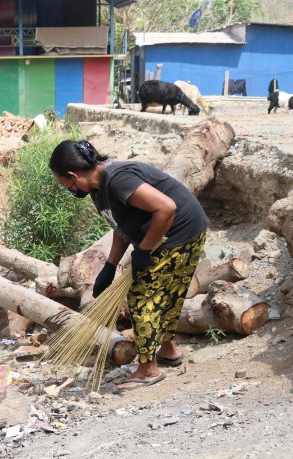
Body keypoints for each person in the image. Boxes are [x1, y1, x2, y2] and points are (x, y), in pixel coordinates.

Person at [49, 140, 208, 392]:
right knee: (166, 293)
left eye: (64, 184)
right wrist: (109, 266)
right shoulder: (97, 188)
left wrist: (143, 250)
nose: (68, 189)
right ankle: (168, 350)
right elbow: (122, 226)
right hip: (178, 230)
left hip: (180, 232)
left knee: (141, 296)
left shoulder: (117, 179)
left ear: (72, 175)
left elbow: (166, 208)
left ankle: (148, 369)